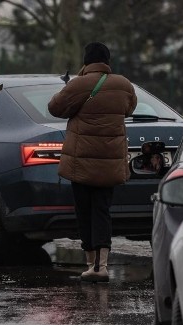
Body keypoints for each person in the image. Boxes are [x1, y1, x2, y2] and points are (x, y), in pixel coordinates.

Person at [47, 42, 136, 282]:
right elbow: (129, 108)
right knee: (102, 211)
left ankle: (91, 264)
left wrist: (71, 86)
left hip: (82, 162)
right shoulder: (123, 84)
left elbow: (55, 108)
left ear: (86, 61)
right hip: (110, 161)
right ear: (107, 61)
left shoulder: (78, 84)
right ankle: (102, 265)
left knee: (84, 211)